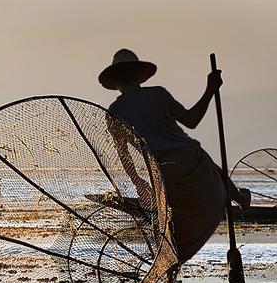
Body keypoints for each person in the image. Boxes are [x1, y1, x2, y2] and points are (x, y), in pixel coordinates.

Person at [99, 48, 251, 265]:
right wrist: (210, 89)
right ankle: (238, 197)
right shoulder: (157, 95)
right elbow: (192, 120)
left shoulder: (115, 111)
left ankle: (170, 269)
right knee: (212, 176)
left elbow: (124, 156)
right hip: (188, 159)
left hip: (162, 170)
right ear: (137, 76)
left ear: (116, 81)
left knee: (175, 225)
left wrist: (138, 181)